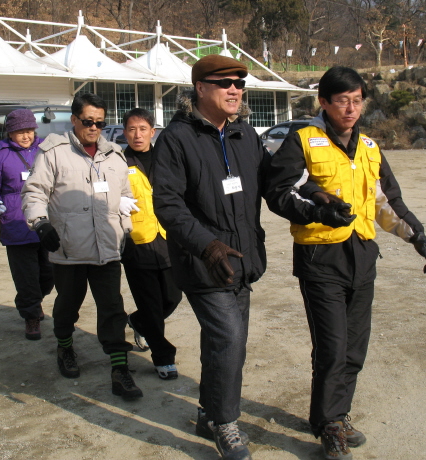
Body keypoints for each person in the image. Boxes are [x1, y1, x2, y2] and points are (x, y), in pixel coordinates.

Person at [265, 66, 426, 460]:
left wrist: (417, 236)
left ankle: (335, 415)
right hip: (320, 258)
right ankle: (329, 425)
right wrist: (318, 210)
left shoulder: (370, 148)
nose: (350, 108)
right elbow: (278, 192)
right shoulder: (303, 140)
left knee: (355, 348)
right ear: (323, 102)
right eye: (341, 100)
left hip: (362, 256)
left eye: (357, 100)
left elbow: (385, 201)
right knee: (332, 346)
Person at [151, 55, 270, 460]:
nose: (235, 89)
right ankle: (225, 423)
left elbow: (272, 183)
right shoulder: (177, 139)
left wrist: (311, 197)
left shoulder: (246, 136)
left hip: (243, 261)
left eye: (239, 82)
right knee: (229, 338)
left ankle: (207, 412)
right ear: (200, 89)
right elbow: (167, 204)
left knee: (225, 343)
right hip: (203, 264)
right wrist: (208, 245)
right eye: (225, 83)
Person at [21, 92, 142, 400]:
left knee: (113, 309)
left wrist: (125, 227)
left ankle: (119, 369)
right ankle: (64, 348)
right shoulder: (53, 153)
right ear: (74, 120)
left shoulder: (114, 155)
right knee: (67, 306)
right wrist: (41, 224)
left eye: (100, 123)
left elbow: (124, 195)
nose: (93, 128)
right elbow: (34, 193)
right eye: (88, 121)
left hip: (107, 248)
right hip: (68, 248)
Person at [0, 108, 54, 340]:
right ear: (10, 133)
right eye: (20, 132)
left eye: (29, 130)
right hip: (16, 222)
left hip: (46, 221)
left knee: (48, 275)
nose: (26, 136)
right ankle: (31, 315)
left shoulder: (46, 149)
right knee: (26, 277)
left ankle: (34, 301)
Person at [120, 107, 182, 380]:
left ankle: (137, 321)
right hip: (137, 241)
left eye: (143, 129)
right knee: (151, 303)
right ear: (125, 133)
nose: (137, 134)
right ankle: (163, 358)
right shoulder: (118, 162)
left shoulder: (165, 158)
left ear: (152, 132)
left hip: (167, 239)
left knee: (173, 296)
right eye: (132, 129)